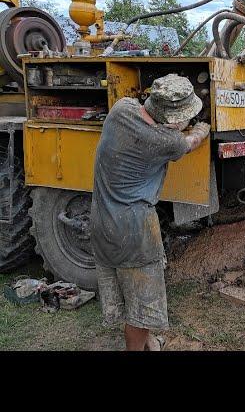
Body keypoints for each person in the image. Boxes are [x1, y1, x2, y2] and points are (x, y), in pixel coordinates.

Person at [90, 73, 210, 351]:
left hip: (101, 222)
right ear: (175, 118)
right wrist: (201, 129)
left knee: (127, 292)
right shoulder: (167, 141)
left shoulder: (120, 109)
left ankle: (147, 343)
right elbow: (189, 143)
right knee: (142, 306)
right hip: (134, 231)